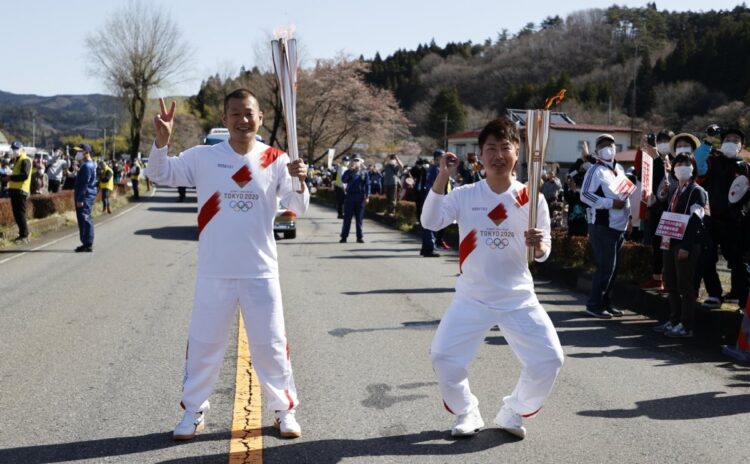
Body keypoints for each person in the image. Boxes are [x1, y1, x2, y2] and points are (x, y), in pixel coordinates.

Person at [146, 89, 309, 441]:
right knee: (205, 343)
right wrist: (161, 143)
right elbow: (161, 175)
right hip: (214, 270)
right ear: (224, 119)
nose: (242, 119)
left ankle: (284, 411)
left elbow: (298, 206)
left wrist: (300, 179)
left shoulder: (276, 159)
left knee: (271, 345)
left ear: (260, 118)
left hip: (260, 270)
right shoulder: (204, 157)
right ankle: (193, 411)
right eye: (235, 113)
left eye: (248, 113)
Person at [421, 118, 563, 439]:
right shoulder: (466, 195)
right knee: (444, 357)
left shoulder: (531, 197)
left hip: (518, 297)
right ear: (480, 156)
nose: (498, 155)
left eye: (505, 148)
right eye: (491, 149)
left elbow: (544, 252)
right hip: (473, 296)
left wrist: (539, 244)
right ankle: (466, 410)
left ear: (518, 152)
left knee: (549, 359)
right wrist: (443, 174)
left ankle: (514, 409)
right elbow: (430, 221)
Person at [652, 151, 707, 338]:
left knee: (685, 285)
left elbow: (696, 219)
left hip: (686, 244)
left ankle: (686, 325)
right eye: (678, 164)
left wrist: (686, 245)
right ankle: (674, 319)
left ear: (693, 167)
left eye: (686, 163)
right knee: (671, 283)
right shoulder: (675, 190)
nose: (681, 167)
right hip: (670, 241)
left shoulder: (697, 191)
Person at [580, 134, 632, 319]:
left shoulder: (619, 168)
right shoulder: (595, 170)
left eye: (610, 144)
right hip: (602, 225)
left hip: (620, 226)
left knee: (614, 269)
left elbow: (625, 197)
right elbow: (585, 195)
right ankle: (594, 305)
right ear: (597, 151)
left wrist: (630, 217)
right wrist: (609, 203)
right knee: (605, 267)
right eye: (602, 145)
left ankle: (606, 302)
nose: (607, 148)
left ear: (615, 148)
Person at [700, 128, 750, 310]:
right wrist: (707, 141)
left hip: (736, 222)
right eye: (728, 138)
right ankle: (714, 294)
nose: (731, 141)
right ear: (721, 144)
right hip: (711, 219)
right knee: (707, 257)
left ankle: (742, 300)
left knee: (738, 262)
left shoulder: (745, 167)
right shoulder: (712, 162)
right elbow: (697, 166)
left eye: (736, 139)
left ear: (741, 146)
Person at [3, 141, 33, 243]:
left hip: (21, 190)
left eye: (16, 149)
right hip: (15, 190)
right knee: (17, 214)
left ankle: (24, 235)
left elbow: (24, 175)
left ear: (21, 149)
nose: (14, 151)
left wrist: (10, 178)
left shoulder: (25, 160)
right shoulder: (18, 160)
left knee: (20, 213)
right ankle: (22, 234)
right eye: (13, 149)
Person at [339, 154, 370, 243]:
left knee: (359, 219)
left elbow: (368, 185)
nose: (355, 162)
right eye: (354, 160)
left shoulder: (364, 172)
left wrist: (367, 196)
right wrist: (350, 171)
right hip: (350, 196)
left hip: (360, 197)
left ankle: (359, 237)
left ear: (360, 161)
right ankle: (344, 237)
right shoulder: (348, 171)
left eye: (357, 160)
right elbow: (344, 180)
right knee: (347, 218)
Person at [73, 144, 97, 252]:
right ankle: (86, 242)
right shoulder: (87, 164)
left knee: (85, 218)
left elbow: (84, 185)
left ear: (86, 152)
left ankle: (88, 243)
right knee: (84, 218)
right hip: (86, 195)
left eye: (79, 151)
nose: (77, 153)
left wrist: (80, 199)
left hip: (85, 196)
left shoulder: (87, 166)